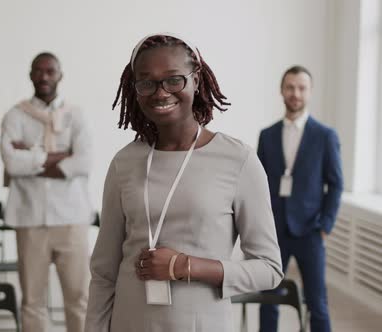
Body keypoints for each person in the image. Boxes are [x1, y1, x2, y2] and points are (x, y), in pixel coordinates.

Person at [84, 33, 284, 332]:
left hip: (202, 324)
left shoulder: (237, 160)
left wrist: (185, 266)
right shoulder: (124, 162)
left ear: (196, 79)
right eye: (147, 82)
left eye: (174, 79)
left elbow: (269, 269)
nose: (161, 92)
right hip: (129, 321)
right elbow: (104, 272)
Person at [0, 52, 93, 332]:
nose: (44, 77)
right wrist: (58, 156)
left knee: (79, 298)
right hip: (30, 221)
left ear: (60, 75)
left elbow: (84, 161)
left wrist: (31, 156)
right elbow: (11, 163)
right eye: (38, 71)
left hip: (71, 219)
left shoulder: (77, 115)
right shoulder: (15, 115)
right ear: (30, 75)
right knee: (32, 301)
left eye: (50, 71)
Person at [258, 66, 343, 332]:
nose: (295, 93)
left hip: (311, 231)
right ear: (281, 91)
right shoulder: (267, 135)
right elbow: (258, 185)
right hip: (275, 232)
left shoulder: (325, 135)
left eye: (301, 88)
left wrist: (325, 227)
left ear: (310, 92)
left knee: (317, 302)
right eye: (290, 87)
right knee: (268, 297)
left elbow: (336, 184)